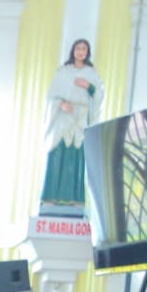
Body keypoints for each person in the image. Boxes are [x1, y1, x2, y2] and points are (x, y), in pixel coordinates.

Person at [40, 38, 102, 210]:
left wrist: (88, 86)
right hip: (63, 117)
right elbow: (51, 96)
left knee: (76, 157)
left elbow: (99, 94)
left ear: (87, 52)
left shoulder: (92, 74)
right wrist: (60, 104)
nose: (81, 52)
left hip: (81, 118)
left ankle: (76, 198)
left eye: (84, 49)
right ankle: (50, 197)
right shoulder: (63, 72)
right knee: (57, 153)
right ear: (73, 51)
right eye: (78, 48)